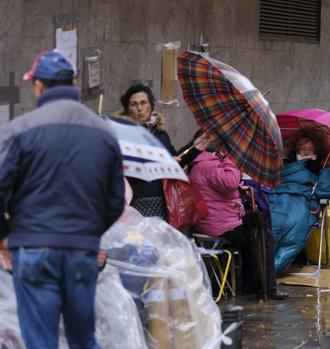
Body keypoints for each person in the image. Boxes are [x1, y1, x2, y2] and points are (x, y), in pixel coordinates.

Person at [0, 51, 125, 348]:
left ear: (39, 86)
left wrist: (4, 236)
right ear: (74, 82)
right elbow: (115, 200)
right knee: (83, 340)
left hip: (33, 249)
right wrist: (89, 234)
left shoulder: (19, 130)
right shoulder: (105, 133)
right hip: (82, 252)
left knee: (41, 341)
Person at [190, 138, 288, 300]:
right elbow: (229, 182)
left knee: (257, 229)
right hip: (219, 225)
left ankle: (254, 285)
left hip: (217, 221)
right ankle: (267, 288)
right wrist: (233, 160)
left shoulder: (203, 163)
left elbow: (221, 187)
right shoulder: (207, 164)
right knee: (263, 236)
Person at [119, 84, 207, 219]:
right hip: (137, 201)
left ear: (151, 105)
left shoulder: (160, 133)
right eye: (134, 104)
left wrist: (195, 148)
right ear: (127, 109)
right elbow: (128, 166)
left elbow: (176, 160)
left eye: (143, 103)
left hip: (163, 200)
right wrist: (162, 163)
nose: (140, 109)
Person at [270, 129, 330, 274]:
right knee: (271, 227)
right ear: (295, 150)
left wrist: (320, 172)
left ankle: (269, 272)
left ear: (317, 151)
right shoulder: (283, 166)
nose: (306, 153)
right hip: (279, 198)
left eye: (310, 149)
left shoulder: (321, 170)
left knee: (294, 233)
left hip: (303, 203)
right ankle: (262, 267)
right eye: (302, 149)